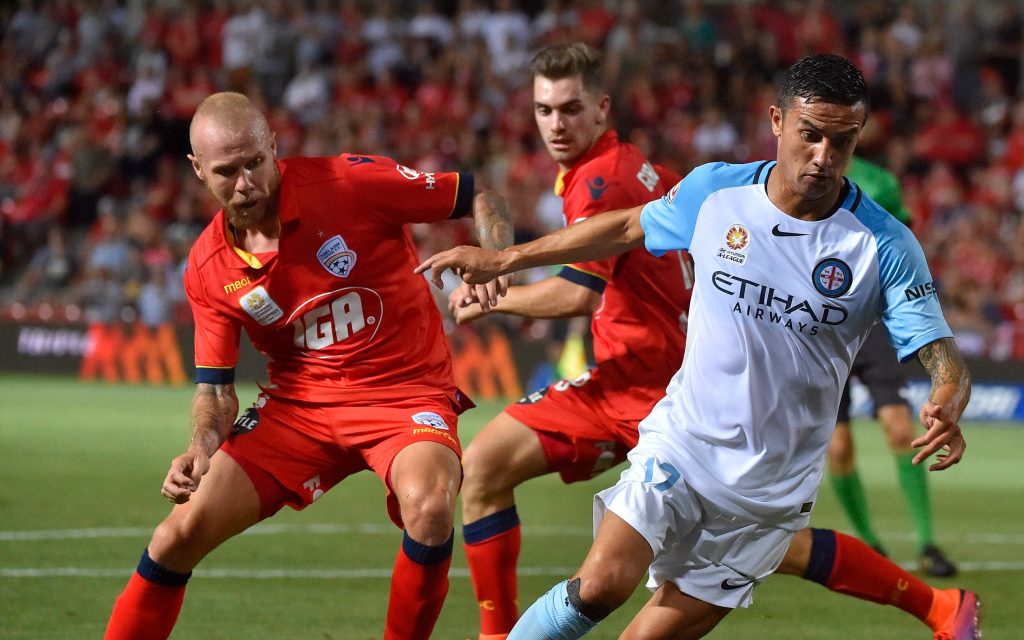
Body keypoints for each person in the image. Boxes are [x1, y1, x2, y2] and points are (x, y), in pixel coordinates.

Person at [418, 54, 979, 640]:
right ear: (777, 122)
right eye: (810, 135)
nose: (824, 156)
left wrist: (948, 399)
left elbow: (943, 356)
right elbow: (626, 227)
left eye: (843, 141)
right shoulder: (717, 191)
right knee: (600, 584)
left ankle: (940, 608)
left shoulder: (884, 244)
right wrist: (507, 258)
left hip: (771, 491)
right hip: (682, 445)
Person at [102, 91, 513, 640]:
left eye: (255, 162)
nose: (246, 183)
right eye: (226, 172)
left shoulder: (350, 183)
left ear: (274, 146)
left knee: (430, 507)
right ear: (197, 169)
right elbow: (216, 391)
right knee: (175, 537)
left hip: (404, 395)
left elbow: (481, 194)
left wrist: (497, 257)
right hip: (297, 410)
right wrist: (200, 448)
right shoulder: (207, 267)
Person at [831, 154, 956, 577]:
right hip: (821, 324)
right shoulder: (800, 175)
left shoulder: (879, 181)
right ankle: (869, 545)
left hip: (872, 320)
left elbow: (901, 242)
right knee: (838, 447)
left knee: (902, 430)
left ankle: (927, 543)